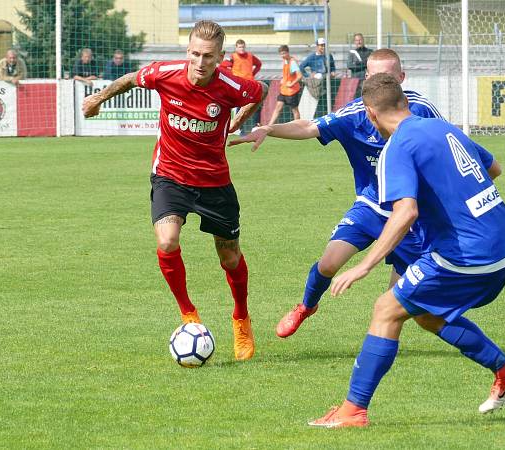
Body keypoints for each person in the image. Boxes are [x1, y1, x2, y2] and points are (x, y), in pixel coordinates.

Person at [307, 73, 505, 428]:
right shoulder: (444, 128)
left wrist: (363, 266)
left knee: (385, 309)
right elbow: (493, 168)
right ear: (406, 104)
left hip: (467, 255)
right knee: (425, 314)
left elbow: (405, 212)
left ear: (370, 114)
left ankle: (353, 411)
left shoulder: (397, 147)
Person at [81, 20, 268, 361]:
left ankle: (240, 316)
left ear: (220, 57)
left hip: (214, 181)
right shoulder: (165, 73)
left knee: (229, 258)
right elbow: (128, 80)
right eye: (195, 53)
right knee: (167, 241)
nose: (200, 62)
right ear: (188, 52)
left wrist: (239, 120)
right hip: (170, 174)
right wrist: (99, 98)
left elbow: (261, 92)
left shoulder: (232, 87)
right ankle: (188, 313)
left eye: (208, 56)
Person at [230, 49, 442, 338]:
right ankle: (306, 306)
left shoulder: (422, 110)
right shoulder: (354, 113)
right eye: (375, 77)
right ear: (365, 78)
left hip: (411, 216)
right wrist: (269, 128)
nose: (381, 84)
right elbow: (309, 126)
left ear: (402, 78)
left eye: (388, 78)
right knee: (329, 263)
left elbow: (449, 145)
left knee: (395, 305)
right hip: (371, 205)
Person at [266, 45, 302, 125]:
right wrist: (284, 80)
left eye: (284, 53)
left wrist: (291, 83)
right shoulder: (285, 61)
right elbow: (288, 74)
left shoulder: (292, 62)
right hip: (284, 90)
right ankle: (269, 126)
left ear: (288, 52)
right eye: (281, 54)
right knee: (278, 107)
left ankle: (297, 126)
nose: (282, 56)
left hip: (292, 91)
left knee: (294, 110)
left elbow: (299, 75)